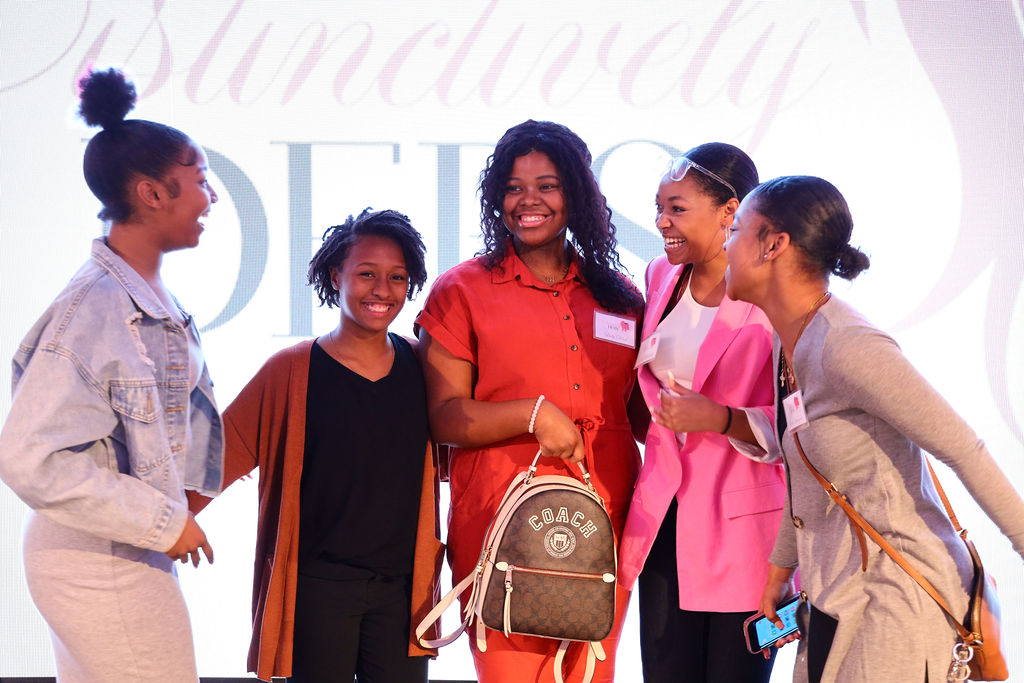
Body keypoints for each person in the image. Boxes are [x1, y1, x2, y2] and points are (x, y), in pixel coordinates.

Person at [722, 175, 1024, 682]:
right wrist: (779, 572)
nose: (726, 244)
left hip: (896, 603)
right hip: (831, 601)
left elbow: (964, 448)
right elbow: (806, 479)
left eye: (736, 229)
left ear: (774, 244)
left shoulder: (848, 345)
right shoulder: (788, 343)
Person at [0, 68, 222, 681]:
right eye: (199, 182)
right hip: (96, 561)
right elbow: (27, 458)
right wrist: (163, 520)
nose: (212, 198)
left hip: (114, 552)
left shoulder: (145, 297)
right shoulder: (97, 309)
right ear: (152, 193)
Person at [416, 119, 644, 682]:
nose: (529, 201)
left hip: (605, 527)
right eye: (514, 187)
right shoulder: (463, 289)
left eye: (547, 185)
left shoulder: (620, 296)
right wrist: (532, 414)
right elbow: (444, 416)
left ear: (577, 194)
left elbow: (641, 415)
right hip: (503, 531)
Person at [190, 208, 443, 682]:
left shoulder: (422, 364)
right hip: (318, 588)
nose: (382, 291)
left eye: (397, 278)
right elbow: (220, 452)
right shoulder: (291, 369)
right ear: (335, 275)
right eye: (367, 274)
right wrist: (162, 521)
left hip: (403, 592)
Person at [617, 143, 786, 683]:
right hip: (665, 523)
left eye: (678, 208)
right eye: (659, 208)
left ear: (730, 212)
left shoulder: (776, 293)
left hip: (755, 542)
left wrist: (721, 418)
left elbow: (802, 424)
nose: (662, 221)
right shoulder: (658, 279)